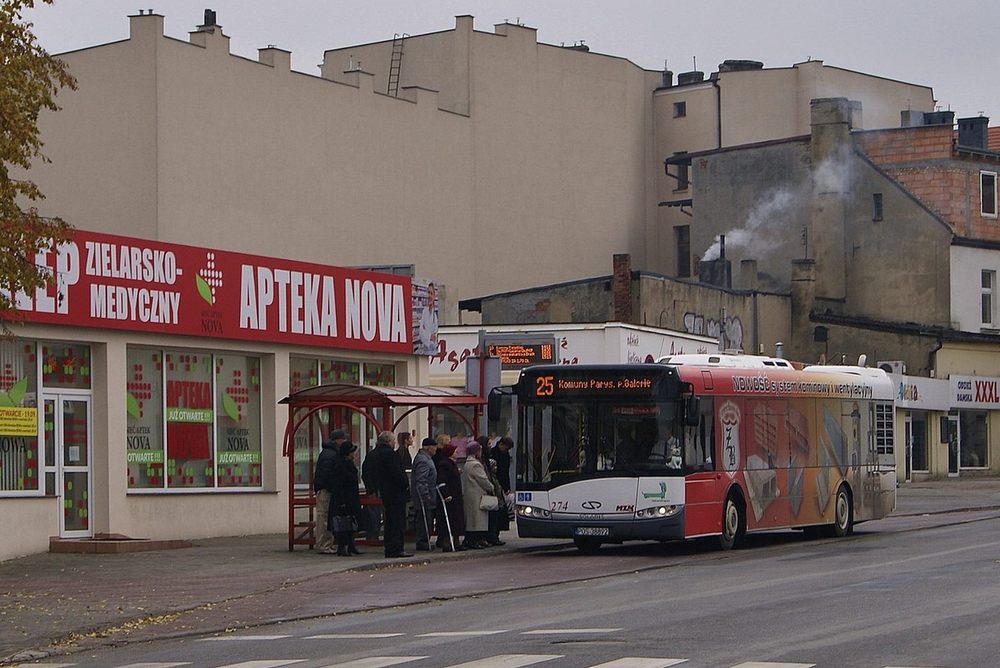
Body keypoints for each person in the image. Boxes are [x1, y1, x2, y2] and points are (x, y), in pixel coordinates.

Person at [365, 430, 412, 558]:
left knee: (389, 522)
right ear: (389, 441)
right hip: (396, 493)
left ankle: (389, 548)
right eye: (393, 441)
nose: (394, 443)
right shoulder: (391, 455)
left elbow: (366, 472)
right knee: (397, 522)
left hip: (383, 492)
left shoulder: (373, 454)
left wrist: (372, 489)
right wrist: (405, 484)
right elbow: (397, 474)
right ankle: (397, 548)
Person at [312, 429, 347, 555]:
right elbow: (328, 474)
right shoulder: (330, 454)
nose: (344, 441)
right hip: (326, 490)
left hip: (325, 489)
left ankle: (326, 544)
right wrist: (333, 487)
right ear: (337, 440)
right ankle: (323, 545)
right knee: (324, 517)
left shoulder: (328, 453)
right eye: (343, 439)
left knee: (325, 516)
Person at [329, 441, 362, 556]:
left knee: (351, 523)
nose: (355, 454)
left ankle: (351, 545)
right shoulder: (341, 465)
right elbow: (339, 484)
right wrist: (341, 501)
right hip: (344, 499)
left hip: (350, 498)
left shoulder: (348, 463)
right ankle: (342, 547)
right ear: (348, 453)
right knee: (343, 523)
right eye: (353, 452)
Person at [461, 440, 495, 549]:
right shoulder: (475, 465)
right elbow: (483, 479)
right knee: (476, 520)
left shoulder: (467, 463)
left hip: (470, 495)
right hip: (477, 495)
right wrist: (491, 487)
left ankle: (474, 540)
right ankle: (473, 541)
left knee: (472, 519)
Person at [434, 441, 465, 552]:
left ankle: (456, 542)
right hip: (450, 497)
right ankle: (447, 543)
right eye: (455, 451)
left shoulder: (452, 464)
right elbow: (441, 481)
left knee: (456, 520)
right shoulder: (444, 464)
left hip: (455, 496)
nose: (457, 453)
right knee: (449, 521)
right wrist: (445, 494)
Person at [411, 437, 439, 551]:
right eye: (434, 447)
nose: (436, 449)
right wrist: (425, 495)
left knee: (427, 519)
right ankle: (422, 541)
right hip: (425, 497)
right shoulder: (423, 460)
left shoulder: (426, 458)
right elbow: (421, 480)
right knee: (424, 519)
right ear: (429, 448)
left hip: (429, 494)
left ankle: (424, 540)